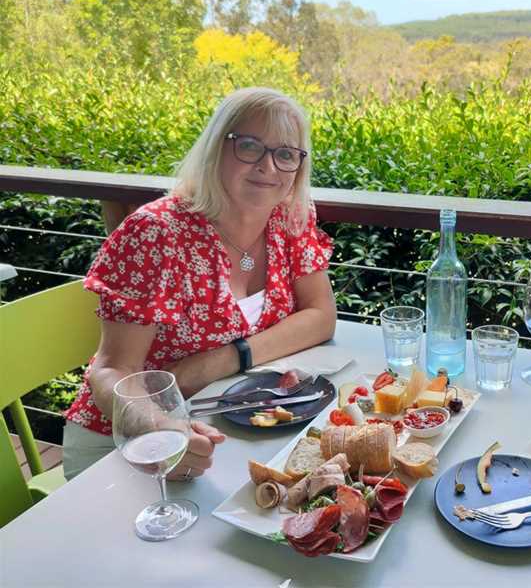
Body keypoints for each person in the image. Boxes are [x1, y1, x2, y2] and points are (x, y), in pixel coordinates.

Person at [62, 87, 337, 481]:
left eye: (286, 154)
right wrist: (159, 429)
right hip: (127, 442)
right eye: (249, 146)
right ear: (215, 149)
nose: (269, 167)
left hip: (230, 426)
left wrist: (222, 361)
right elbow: (112, 369)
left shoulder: (289, 217)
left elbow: (321, 315)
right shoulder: (157, 234)